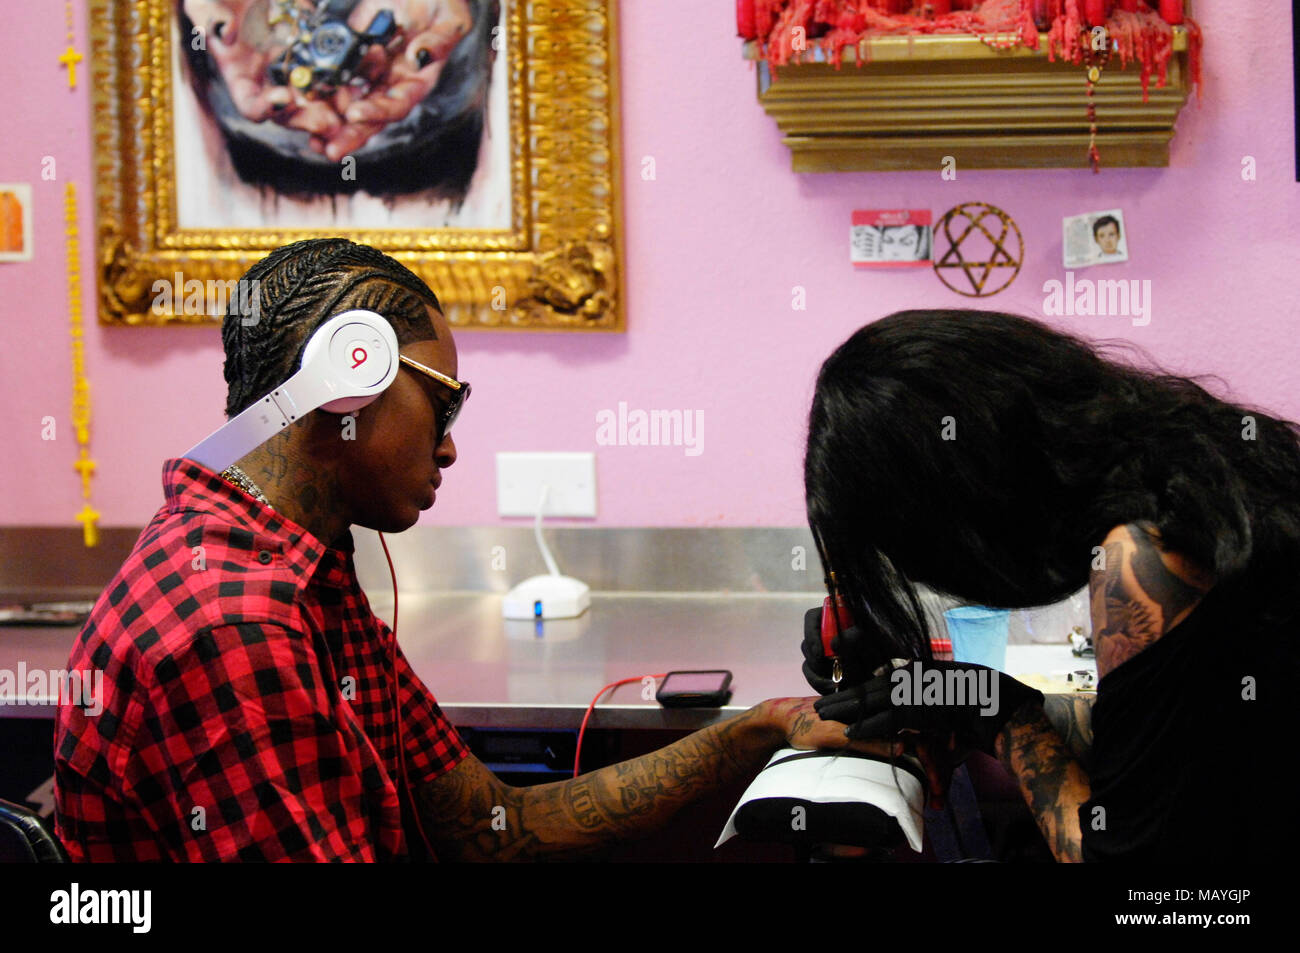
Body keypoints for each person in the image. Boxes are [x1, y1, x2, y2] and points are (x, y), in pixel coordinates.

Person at [53, 238, 883, 862]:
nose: (449, 448)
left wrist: (752, 733)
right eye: (444, 407)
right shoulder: (234, 626)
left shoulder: (304, 570)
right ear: (347, 381)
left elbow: (496, 825)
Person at [799, 309, 1300, 862]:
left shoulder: (1146, 560)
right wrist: (962, 699)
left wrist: (1001, 715)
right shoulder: (1209, 474)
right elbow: (1181, 734)